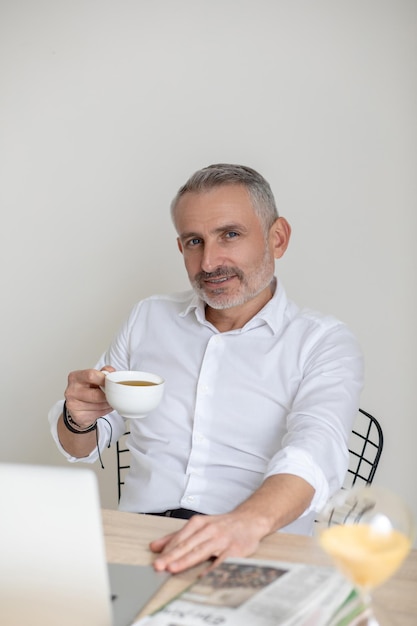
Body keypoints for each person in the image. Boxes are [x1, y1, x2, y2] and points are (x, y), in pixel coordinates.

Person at [49, 163, 363, 574]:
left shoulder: (322, 341)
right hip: (141, 540)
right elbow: (84, 443)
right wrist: (77, 419)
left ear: (277, 238)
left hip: (254, 545)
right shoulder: (149, 318)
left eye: (230, 235)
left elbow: (314, 451)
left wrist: (244, 523)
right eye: (194, 241)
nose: (210, 262)